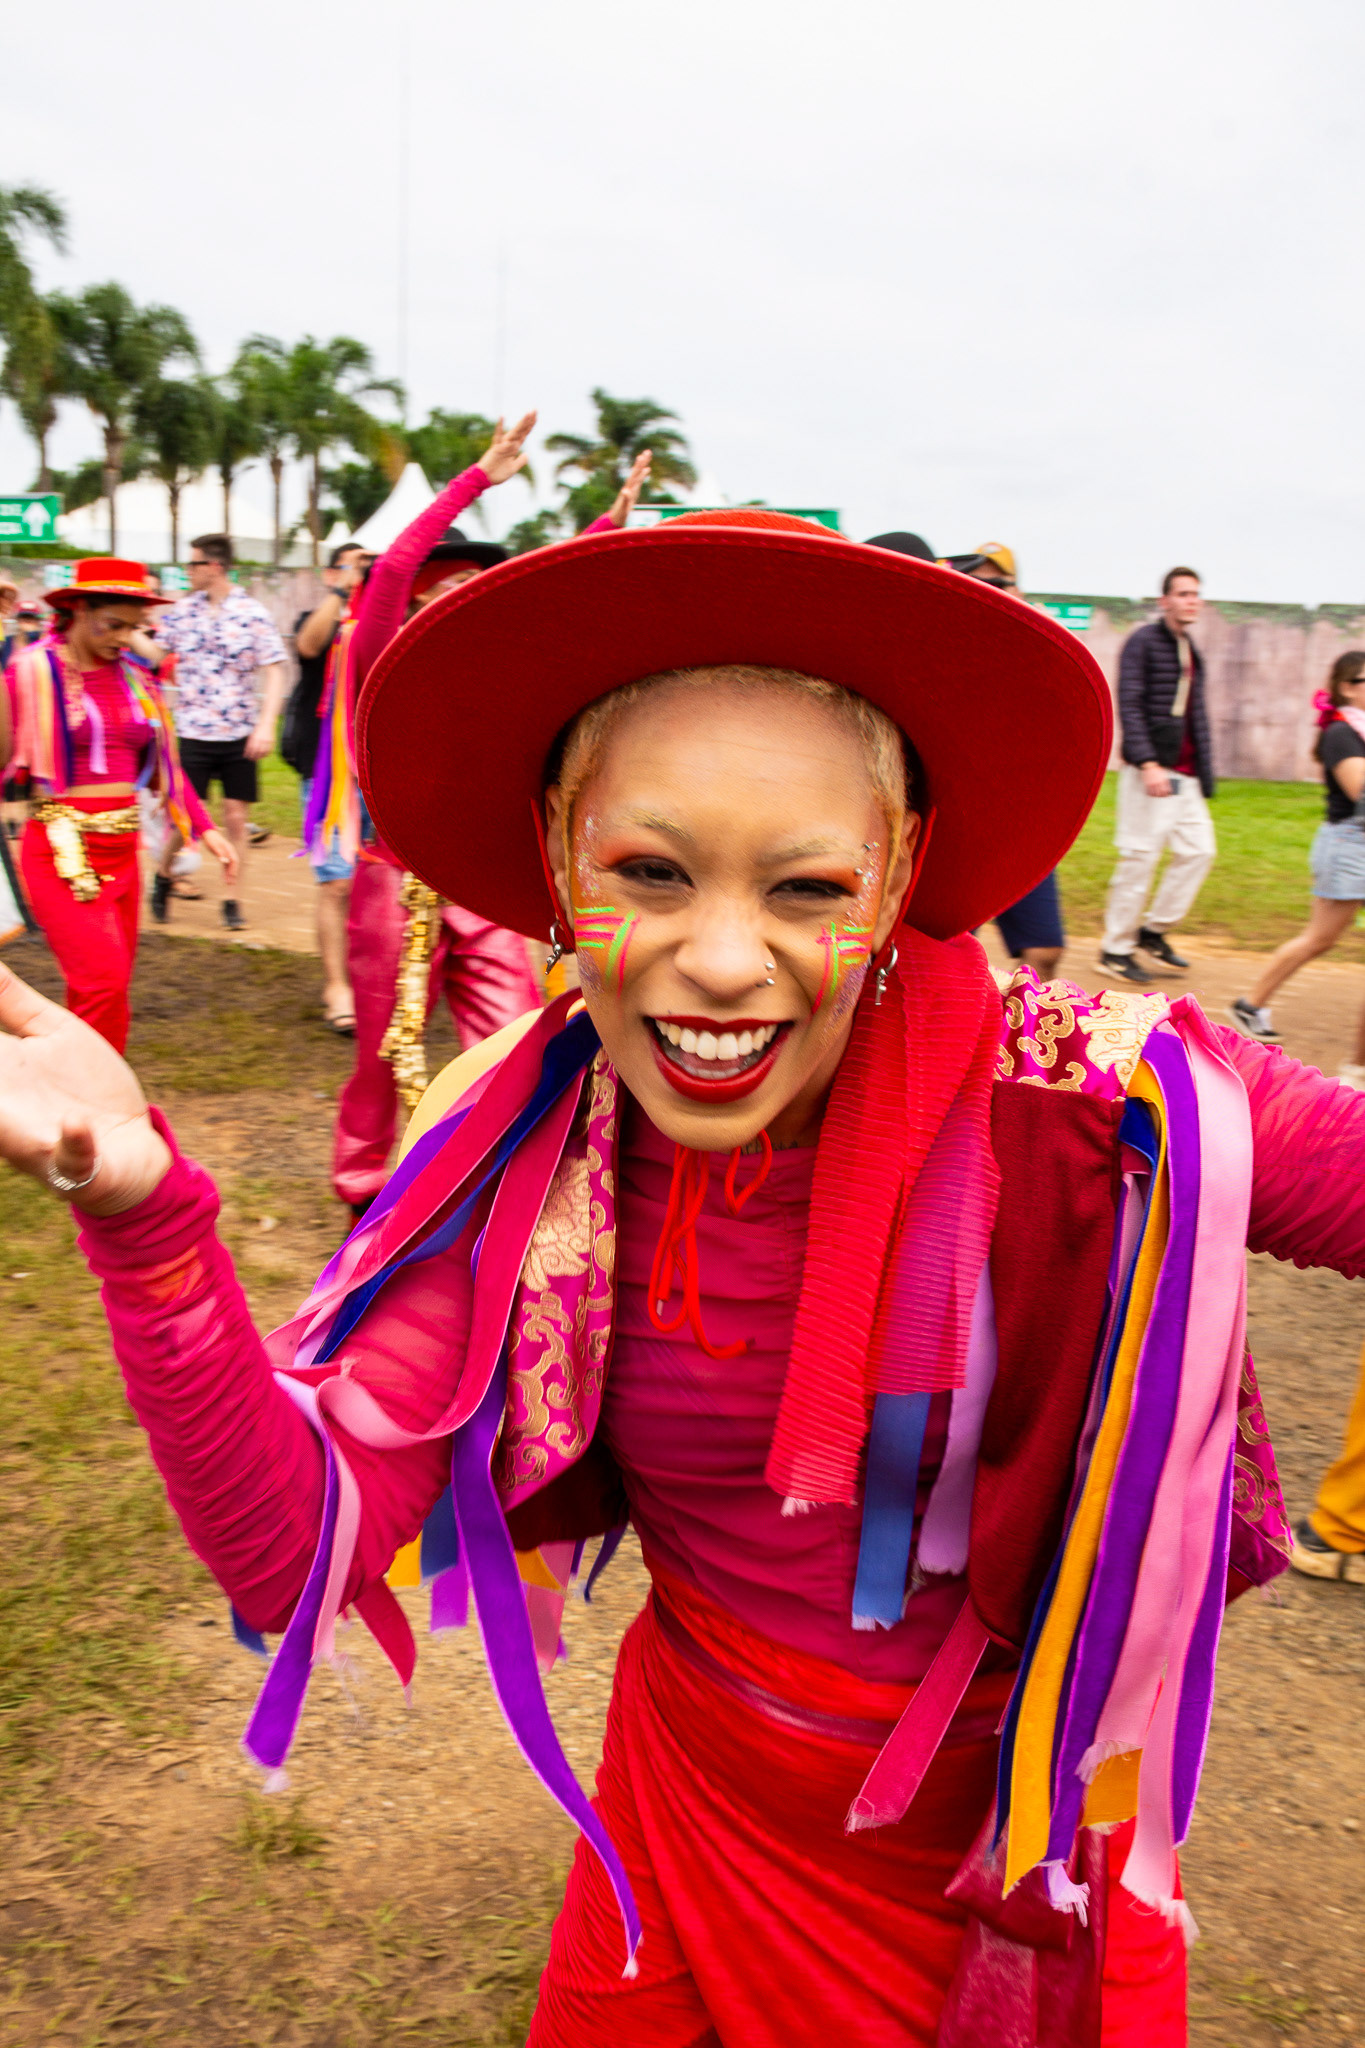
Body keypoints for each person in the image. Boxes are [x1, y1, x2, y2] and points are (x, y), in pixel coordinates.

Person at [4, 510, 1357, 2045]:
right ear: (556, 859)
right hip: (685, 1792)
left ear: (901, 872)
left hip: (994, 1849)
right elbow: (293, 1558)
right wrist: (148, 1221)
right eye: (648, 872)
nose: (720, 960)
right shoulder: (531, 1153)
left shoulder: (1109, 1103)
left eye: (803, 890)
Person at [327, 423, 651, 1220]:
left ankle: (484, 1182)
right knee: (380, 1055)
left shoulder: (506, 683)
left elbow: (547, 589)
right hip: (392, 886)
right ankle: (364, 1194)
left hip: (478, 888)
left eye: (467, 596)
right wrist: (477, 478)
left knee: (507, 1039)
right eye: (439, 596)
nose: (452, 608)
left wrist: (608, 523)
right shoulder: (380, 664)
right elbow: (396, 565)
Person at [0, 558, 235, 1048]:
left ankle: (84, 1102)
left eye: (134, 627)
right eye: (114, 625)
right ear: (79, 610)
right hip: (63, 851)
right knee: (101, 985)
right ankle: (100, 1103)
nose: (124, 638)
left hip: (124, 849)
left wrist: (208, 829)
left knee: (109, 989)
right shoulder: (32, 670)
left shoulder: (136, 680)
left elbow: (167, 770)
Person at [1227, 651, 1365, 1076]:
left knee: (1318, 939)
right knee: (1318, 939)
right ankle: (1356, 1069)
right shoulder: (1341, 734)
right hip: (1349, 848)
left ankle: (1251, 1005)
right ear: (1347, 686)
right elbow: (1361, 789)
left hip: (1353, 846)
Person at [150, 533, 287, 932]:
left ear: (214, 566)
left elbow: (275, 669)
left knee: (236, 820)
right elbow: (157, 653)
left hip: (239, 733)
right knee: (183, 821)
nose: (187, 572)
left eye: (192, 565)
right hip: (192, 731)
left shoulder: (251, 612)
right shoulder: (182, 612)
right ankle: (162, 876)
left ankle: (233, 901)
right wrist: (115, 629)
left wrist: (264, 725)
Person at [955, 543, 1067, 977]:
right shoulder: (952, 646)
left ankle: (1022, 1030)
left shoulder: (1037, 648)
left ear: (1019, 591)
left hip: (1025, 822)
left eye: (1001, 583)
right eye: (980, 583)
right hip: (968, 826)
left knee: (1045, 949)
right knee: (955, 948)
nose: (991, 591)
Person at [1100, 568, 1215, 985]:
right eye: (1183, 594)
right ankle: (1115, 948)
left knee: (1199, 851)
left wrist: (1204, 769)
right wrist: (1147, 763)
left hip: (1185, 776)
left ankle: (1153, 930)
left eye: (1196, 594)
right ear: (1164, 600)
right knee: (1140, 858)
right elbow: (1129, 703)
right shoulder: (1143, 642)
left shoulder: (1188, 646)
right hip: (1151, 772)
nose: (1192, 601)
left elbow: (1194, 713)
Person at [285, 542, 372, 1033]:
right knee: (338, 883)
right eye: (350, 561)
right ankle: (337, 986)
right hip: (329, 773)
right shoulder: (322, 615)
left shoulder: (390, 616)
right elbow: (308, 646)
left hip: (383, 774)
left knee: (385, 885)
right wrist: (343, 589)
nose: (362, 570)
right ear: (329, 571)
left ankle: (379, 978)